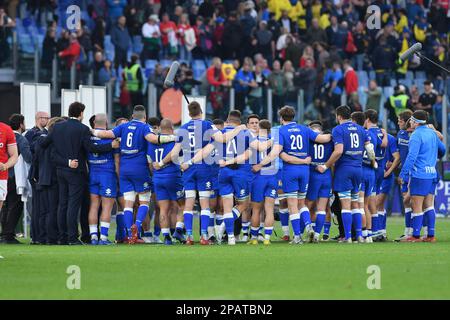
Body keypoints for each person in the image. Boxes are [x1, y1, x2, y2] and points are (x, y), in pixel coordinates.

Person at [93, 105, 177, 244]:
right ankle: (136, 227)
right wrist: (174, 137)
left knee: (128, 202)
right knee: (144, 199)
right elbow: (153, 139)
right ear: (144, 118)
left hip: (125, 169)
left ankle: (128, 233)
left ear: (132, 116)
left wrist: (91, 131)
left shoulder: (124, 127)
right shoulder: (145, 127)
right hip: (139, 168)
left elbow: (107, 134)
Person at [40, 102, 118, 245]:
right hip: (76, 171)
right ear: (81, 113)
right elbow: (91, 148)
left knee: (62, 204)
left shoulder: (57, 127)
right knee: (73, 205)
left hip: (60, 170)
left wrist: (63, 159)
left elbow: (44, 144)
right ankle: (72, 237)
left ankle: (62, 237)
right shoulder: (82, 129)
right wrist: (110, 146)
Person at [170, 103, 246, 245]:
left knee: (189, 203)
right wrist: (239, 129)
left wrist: (180, 164)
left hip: (188, 168)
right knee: (205, 203)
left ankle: (189, 236)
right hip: (203, 167)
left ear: (189, 112)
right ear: (201, 111)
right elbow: (223, 139)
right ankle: (204, 236)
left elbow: (174, 152)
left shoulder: (183, 128)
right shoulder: (208, 125)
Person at [254, 106, 331, 245]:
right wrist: (334, 135)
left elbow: (275, 153)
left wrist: (260, 164)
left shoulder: (281, 131)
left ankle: (297, 236)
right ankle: (308, 226)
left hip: (290, 171)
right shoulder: (305, 129)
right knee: (302, 203)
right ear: (293, 117)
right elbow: (322, 139)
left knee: (292, 204)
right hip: (305, 171)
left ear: (281, 118)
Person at [317, 105, 374, 243]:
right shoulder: (361, 129)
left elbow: (338, 151)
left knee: (346, 205)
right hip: (358, 169)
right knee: (356, 204)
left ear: (339, 116)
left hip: (344, 170)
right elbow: (370, 149)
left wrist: (325, 166)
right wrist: (372, 161)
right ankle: (359, 235)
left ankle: (348, 237)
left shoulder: (338, 129)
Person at [398, 110, 446, 242]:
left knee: (416, 205)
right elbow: (443, 150)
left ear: (416, 122)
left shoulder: (415, 135)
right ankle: (430, 235)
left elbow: (412, 156)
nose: (410, 122)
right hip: (432, 173)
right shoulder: (432, 133)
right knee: (429, 205)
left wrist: (403, 173)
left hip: (420, 174)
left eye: (412, 120)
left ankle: (416, 235)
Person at [147, 119, 185, 245]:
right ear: (172, 128)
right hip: (173, 176)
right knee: (182, 205)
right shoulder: (174, 140)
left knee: (163, 208)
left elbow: (150, 162)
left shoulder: (152, 142)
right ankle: (179, 231)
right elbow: (176, 155)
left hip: (158, 178)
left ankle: (166, 237)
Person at [87, 114, 120, 245]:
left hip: (93, 174)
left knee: (94, 205)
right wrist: (119, 177)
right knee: (107, 207)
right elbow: (117, 161)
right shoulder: (111, 138)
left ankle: (94, 236)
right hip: (107, 175)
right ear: (106, 123)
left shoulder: (87, 138)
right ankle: (104, 238)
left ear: (94, 123)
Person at [0, 114, 30, 244]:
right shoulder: (21, 139)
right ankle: (8, 234)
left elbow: (12, 155)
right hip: (15, 177)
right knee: (14, 205)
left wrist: (5, 165)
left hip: (6, 175)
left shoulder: (6, 132)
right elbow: (28, 157)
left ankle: (5, 234)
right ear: (21, 124)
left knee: (5, 206)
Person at [248, 119, 276, 245]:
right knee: (269, 209)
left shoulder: (253, 140)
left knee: (256, 210)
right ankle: (267, 239)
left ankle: (254, 238)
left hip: (258, 177)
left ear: (260, 128)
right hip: (271, 176)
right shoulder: (274, 140)